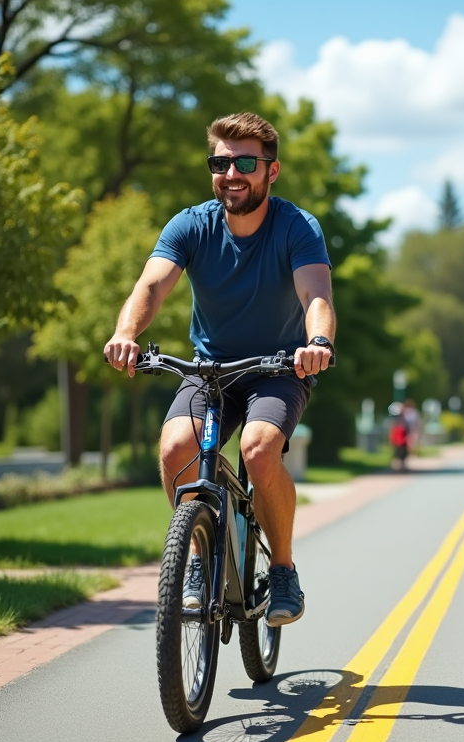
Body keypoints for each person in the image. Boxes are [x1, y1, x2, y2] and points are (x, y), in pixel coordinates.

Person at [104, 112, 335, 628]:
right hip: (209, 370)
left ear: (271, 171)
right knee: (174, 448)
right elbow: (151, 287)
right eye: (221, 162)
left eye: (245, 162)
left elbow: (315, 294)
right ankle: (198, 548)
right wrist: (126, 334)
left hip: (278, 367)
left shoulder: (297, 227)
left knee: (257, 449)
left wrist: (317, 341)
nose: (232, 173)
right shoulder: (191, 224)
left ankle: (281, 569)